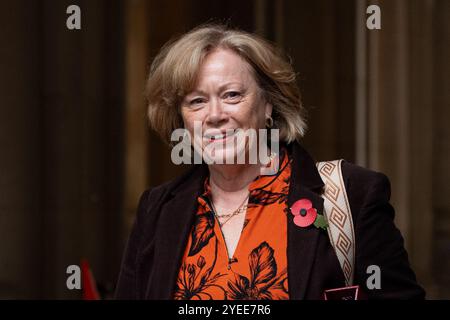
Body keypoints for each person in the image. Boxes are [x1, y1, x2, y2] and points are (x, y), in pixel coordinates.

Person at [115, 24, 425, 300]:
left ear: (268, 105)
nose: (214, 115)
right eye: (196, 101)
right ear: (182, 118)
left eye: (232, 95)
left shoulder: (352, 195)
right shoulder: (157, 210)